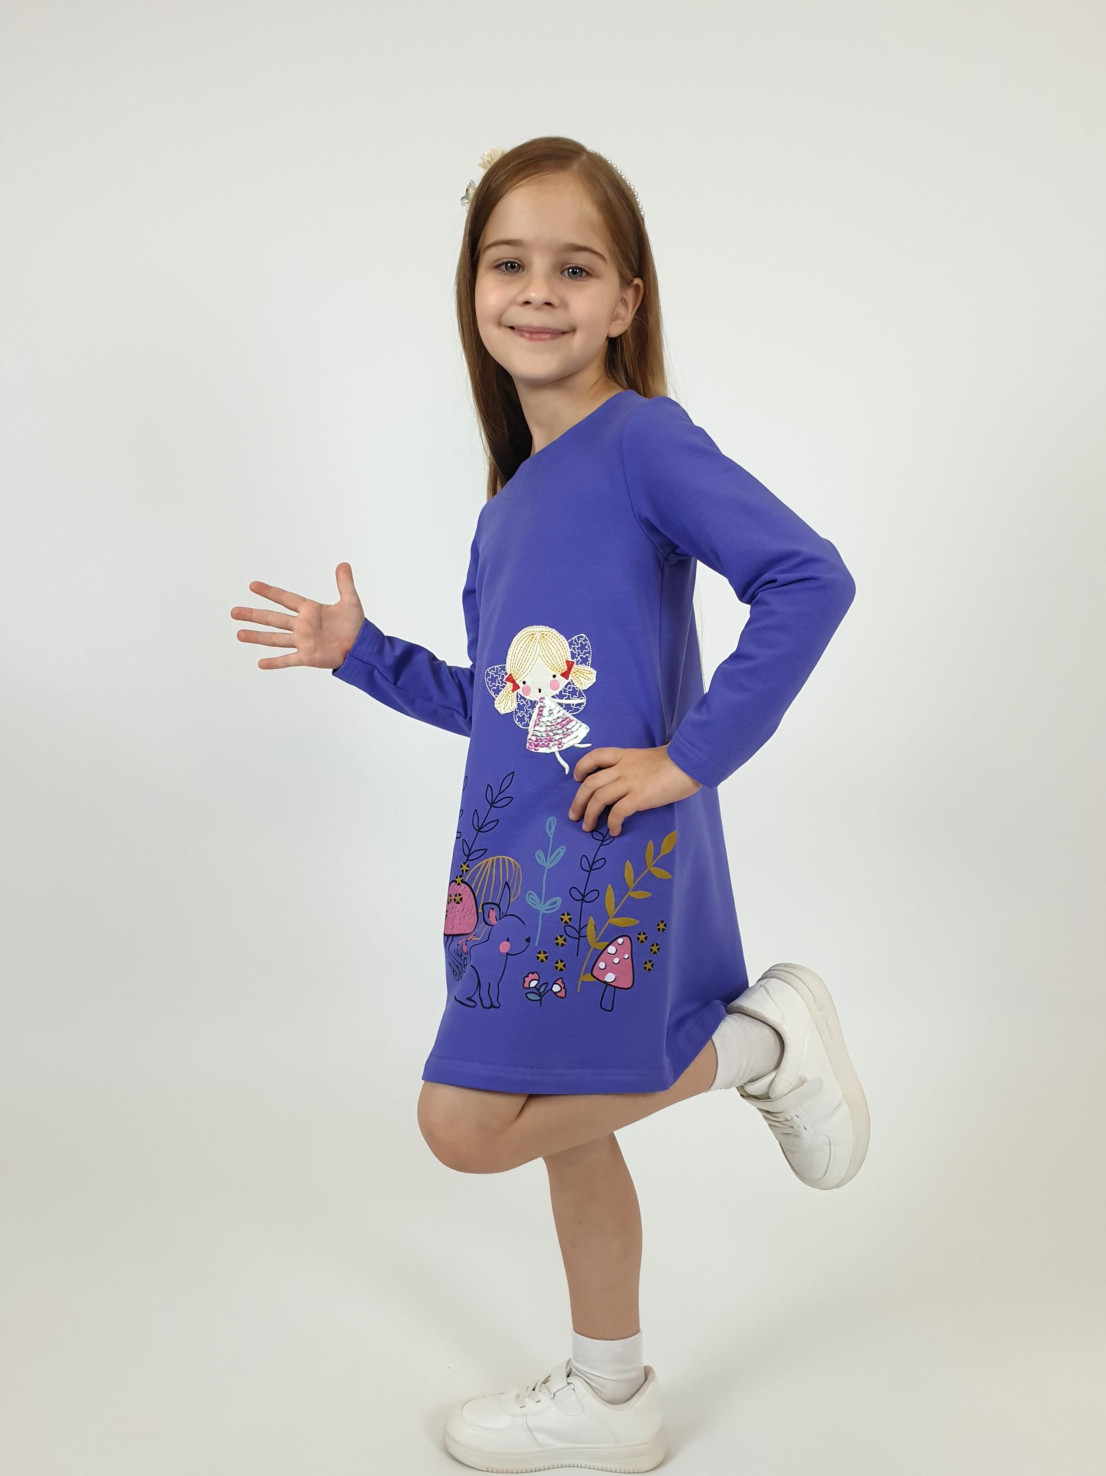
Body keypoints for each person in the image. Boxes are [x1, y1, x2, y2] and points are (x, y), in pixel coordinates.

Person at [230, 135, 870, 1473]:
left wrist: (688, 760)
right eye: (507, 263)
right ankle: (609, 1392)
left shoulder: (644, 442)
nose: (536, 290)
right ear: (472, 289)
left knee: (463, 1127)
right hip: (510, 867)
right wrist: (363, 656)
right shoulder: (512, 501)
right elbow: (513, 706)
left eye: (573, 268)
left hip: (599, 857)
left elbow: (807, 578)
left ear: (626, 299)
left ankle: (757, 1047)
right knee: (559, 1135)